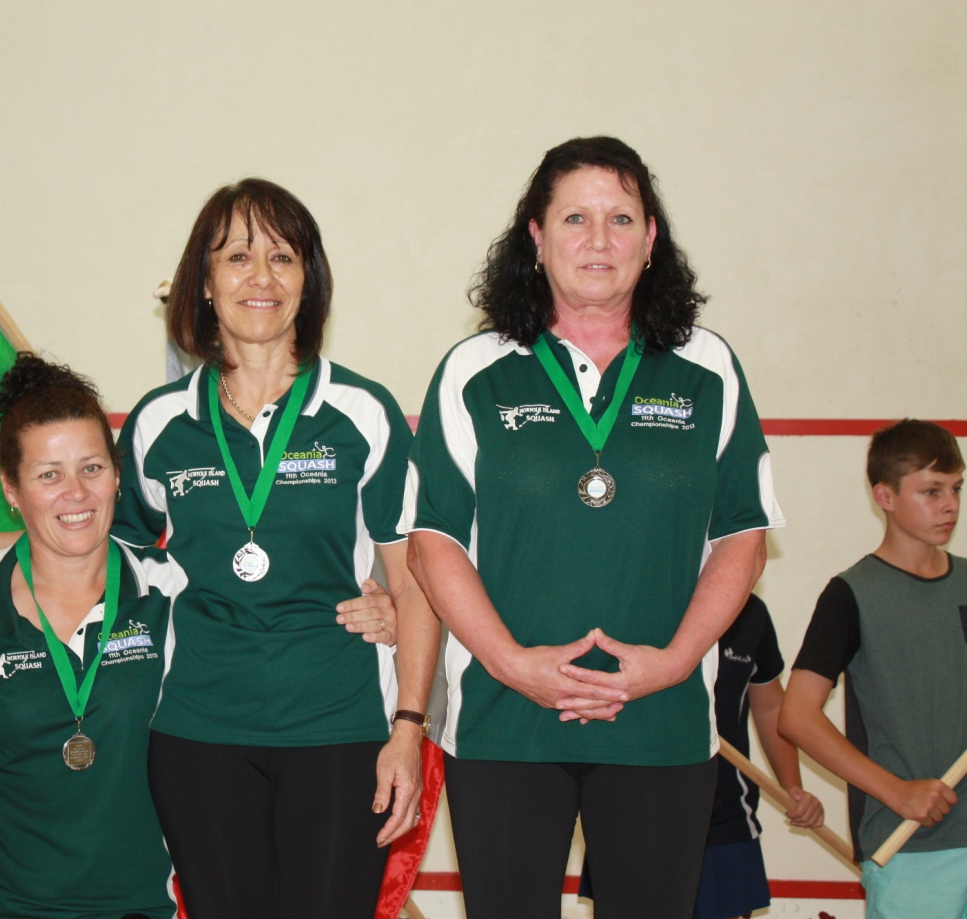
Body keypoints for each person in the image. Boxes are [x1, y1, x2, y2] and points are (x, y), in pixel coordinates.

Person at [0, 179, 437, 918]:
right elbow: (98, 542)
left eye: (282, 257)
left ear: (308, 279)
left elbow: (414, 582)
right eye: (236, 257)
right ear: (203, 283)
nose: (260, 278)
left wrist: (408, 727)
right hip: (199, 736)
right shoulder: (160, 422)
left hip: (339, 727)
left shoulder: (362, 411)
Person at [402, 136, 782, 918]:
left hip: (660, 724)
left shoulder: (707, 366)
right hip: (507, 727)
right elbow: (432, 541)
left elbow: (741, 536)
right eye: (574, 217)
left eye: (621, 217)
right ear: (535, 238)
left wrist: (674, 663)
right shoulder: (474, 370)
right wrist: (511, 663)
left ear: (650, 238)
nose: (599, 239)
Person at [0, 355, 179, 918]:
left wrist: (379, 609)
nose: (76, 493)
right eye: (49, 475)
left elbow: (282, 618)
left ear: (118, 474)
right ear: (11, 489)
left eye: (92, 468)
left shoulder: (172, 588)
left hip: (136, 907)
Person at [779, 419, 967, 919]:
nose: (950, 505)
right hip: (911, 848)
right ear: (885, 496)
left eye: (956, 489)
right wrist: (897, 792)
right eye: (931, 491)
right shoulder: (851, 595)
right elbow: (797, 716)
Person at [577, 595, 825, 919]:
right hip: (630, 811)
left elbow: (770, 705)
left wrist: (792, 786)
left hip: (725, 817)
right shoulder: (634, 599)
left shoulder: (750, 612)